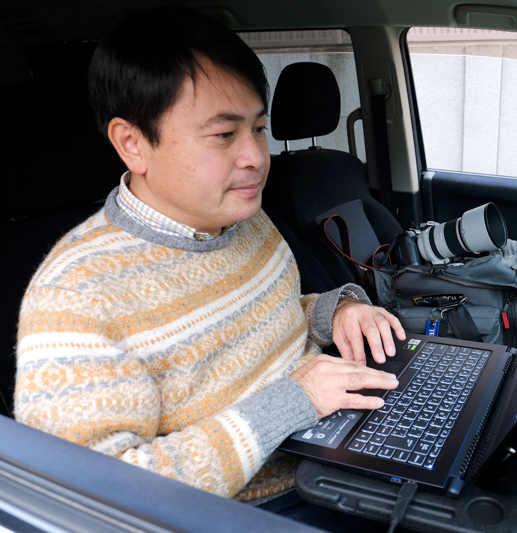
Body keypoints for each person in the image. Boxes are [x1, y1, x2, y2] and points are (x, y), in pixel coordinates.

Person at [13, 6, 405, 508]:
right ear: (133, 143)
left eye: (259, 129)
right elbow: (93, 498)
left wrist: (338, 313)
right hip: (259, 509)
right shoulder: (75, 297)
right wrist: (295, 400)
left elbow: (271, 320)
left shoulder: (241, 217)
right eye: (224, 134)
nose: (256, 157)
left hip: (337, 453)